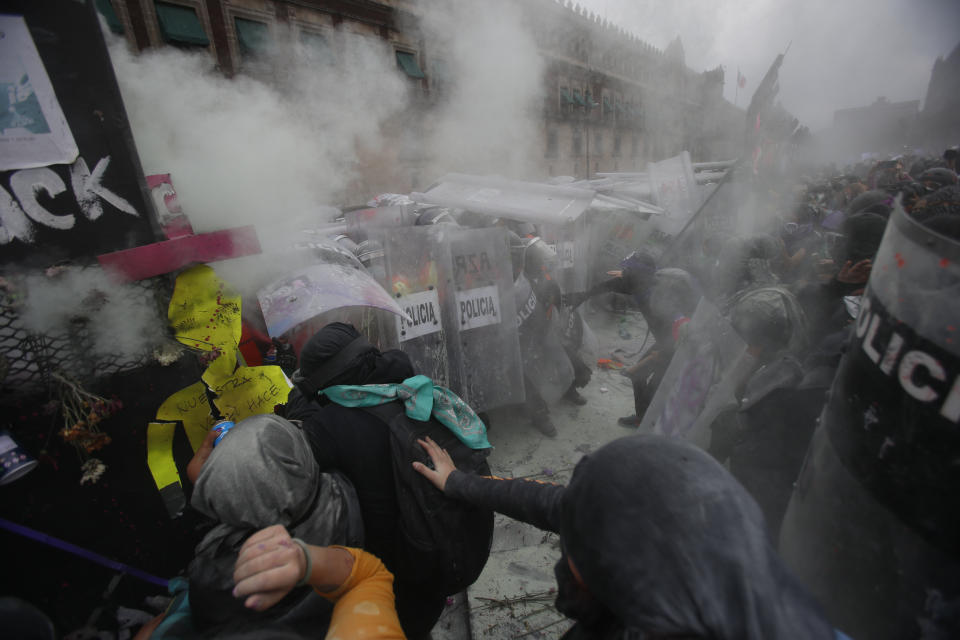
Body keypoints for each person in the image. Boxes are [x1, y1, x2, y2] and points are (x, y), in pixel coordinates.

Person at [411, 434, 842, 639]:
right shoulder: (692, 558)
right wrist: (457, 483)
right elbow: (551, 505)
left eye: (575, 551)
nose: (567, 563)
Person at [282, 322, 491, 638]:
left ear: (321, 385)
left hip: (395, 575)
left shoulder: (330, 426)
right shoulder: (409, 383)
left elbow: (290, 464)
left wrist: (297, 400)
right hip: (438, 554)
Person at [566, 251, 700, 426]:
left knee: (657, 385)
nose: (625, 274)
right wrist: (584, 295)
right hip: (665, 341)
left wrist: (653, 357)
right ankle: (643, 418)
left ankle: (654, 423)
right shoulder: (638, 284)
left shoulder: (660, 298)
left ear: (639, 275)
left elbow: (676, 332)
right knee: (639, 376)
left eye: (629, 271)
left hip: (677, 346)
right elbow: (612, 284)